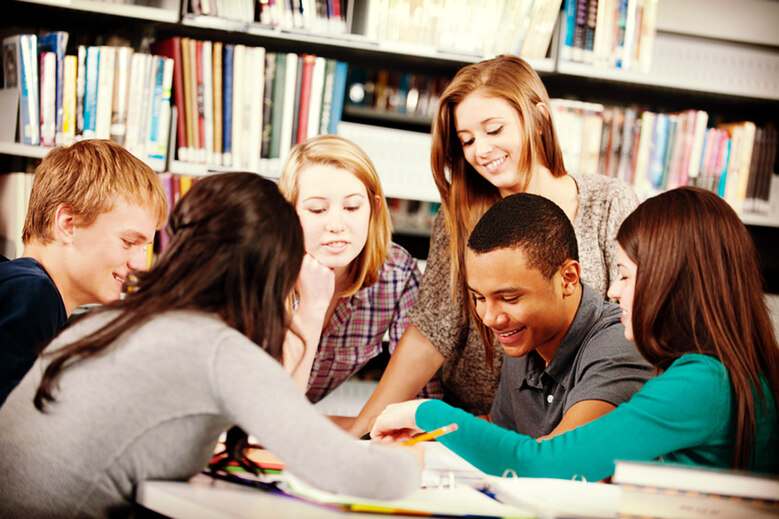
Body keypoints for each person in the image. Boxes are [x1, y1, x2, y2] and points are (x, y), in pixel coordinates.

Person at [0, 173, 421, 517]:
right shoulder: (217, 348)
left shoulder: (114, 319)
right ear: (273, 272)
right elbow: (338, 468)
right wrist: (412, 461)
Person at [371, 187, 778, 480]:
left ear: (675, 284)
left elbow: (543, 464)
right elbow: (507, 434)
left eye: (625, 275)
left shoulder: (700, 383)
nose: (615, 290)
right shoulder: (716, 375)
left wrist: (424, 411)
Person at [348, 55, 639, 434]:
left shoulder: (608, 202)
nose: (481, 150)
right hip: (476, 420)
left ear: (538, 117)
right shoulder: (461, 215)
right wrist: (364, 427)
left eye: (494, 129)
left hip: (575, 418)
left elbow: (635, 316)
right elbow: (433, 329)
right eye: (467, 140)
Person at [468, 193, 651, 438]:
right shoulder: (522, 336)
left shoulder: (618, 343)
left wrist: (427, 414)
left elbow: (557, 456)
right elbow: (499, 430)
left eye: (509, 299)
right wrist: (427, 433)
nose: (490, 318)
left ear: (568, 279)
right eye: (479, 298)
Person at [0, 139, 168, 405]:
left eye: (144, 247)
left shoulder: (26, 290)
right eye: (128, 242)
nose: (141, 265)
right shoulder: (33, 294)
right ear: (68, 224)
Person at [277, 134, 440, 404]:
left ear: (373, 209)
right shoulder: (257, 270)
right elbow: (267, 405)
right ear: (289, 213)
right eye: (318, 210)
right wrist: (312, 308)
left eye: (352, 207)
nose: (337, 224)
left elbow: (420, 395)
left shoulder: (396, 275)